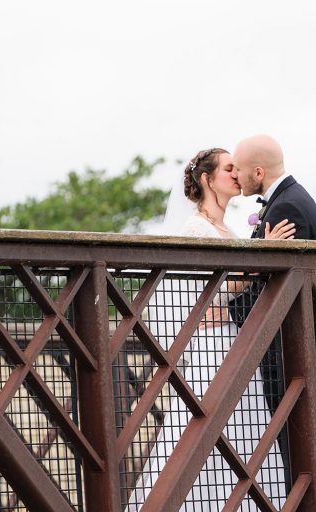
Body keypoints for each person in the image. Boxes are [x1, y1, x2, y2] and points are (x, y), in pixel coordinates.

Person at [127, 147, 294, 511]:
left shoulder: (227, 229)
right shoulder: (195, 228)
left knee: (246, 433)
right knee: (208, 433)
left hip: (233, 340)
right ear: (207, 179)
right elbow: (218, 289)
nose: (238, 175)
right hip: (209, 349)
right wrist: (265, 252)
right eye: (229, 169)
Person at [228, 135, 316, 490]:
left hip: (288, 346)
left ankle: (312, 499)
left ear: (258, 170)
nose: (237, 176)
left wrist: (231, 308)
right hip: (286, 344)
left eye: (240, 169)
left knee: (298, 442)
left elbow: (278, 287)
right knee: (298, 438)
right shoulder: (287, 201)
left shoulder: (288, 207)